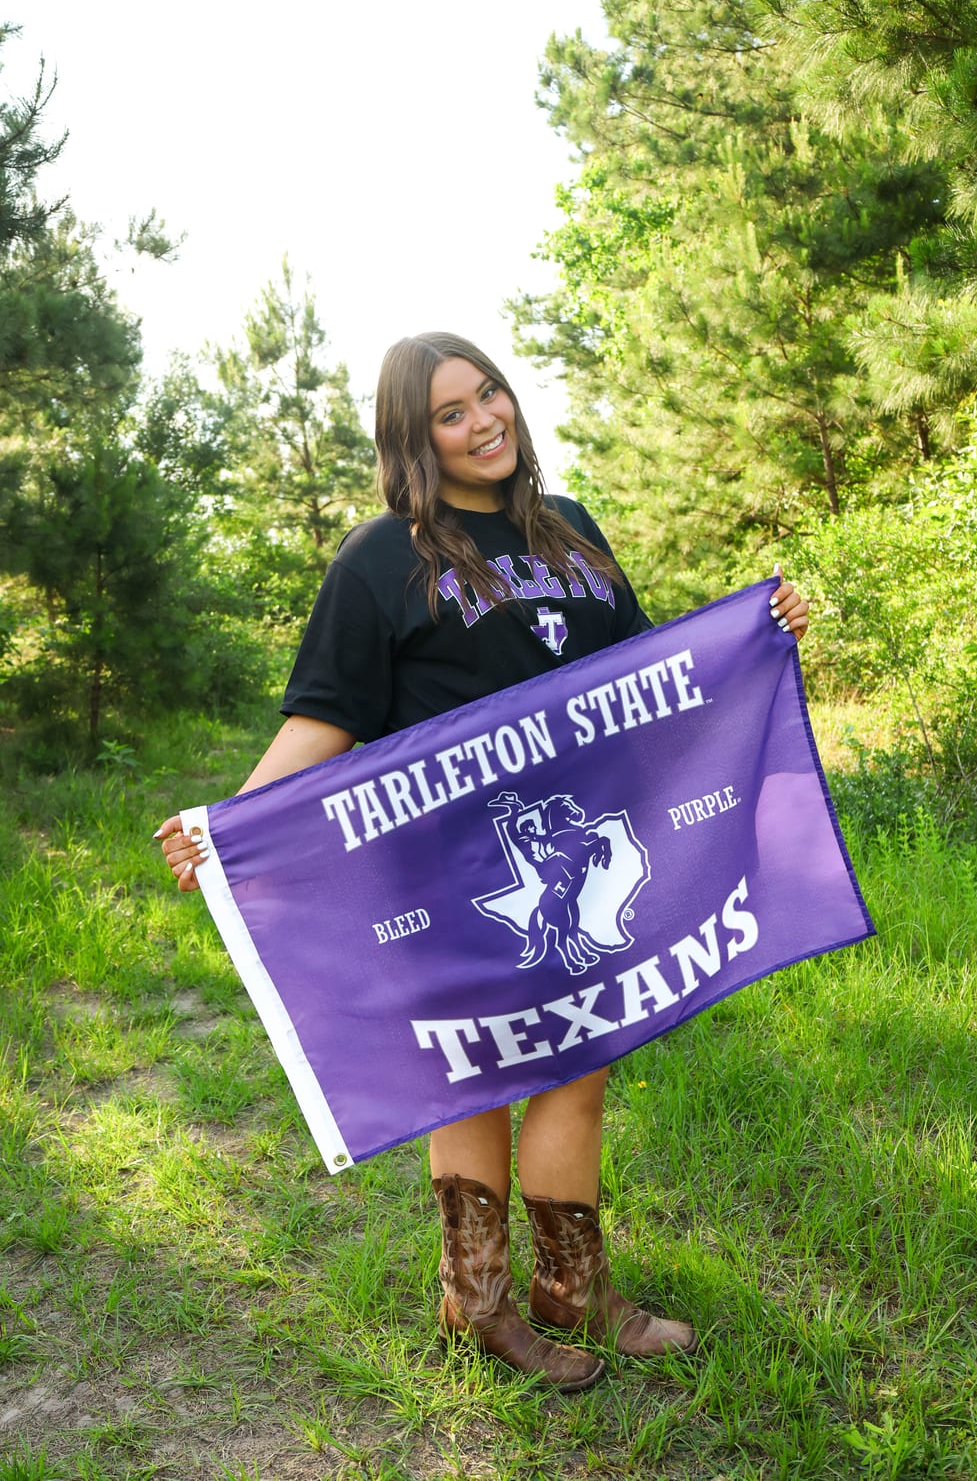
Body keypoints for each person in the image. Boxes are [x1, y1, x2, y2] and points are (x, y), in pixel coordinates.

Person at [157, 332, 809, 1392]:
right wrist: (228, 824)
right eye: (451, 414)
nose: (483, 421)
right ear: (414, 440)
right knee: (477, 1073)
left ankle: (573, 1287)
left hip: (590, 842)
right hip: (453, 869)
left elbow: (646, 673)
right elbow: (326, 715)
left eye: (489, 393)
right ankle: (479, 1300)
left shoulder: (571, 530)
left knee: (579, 1066)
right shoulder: (380, 562)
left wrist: (754, 630)